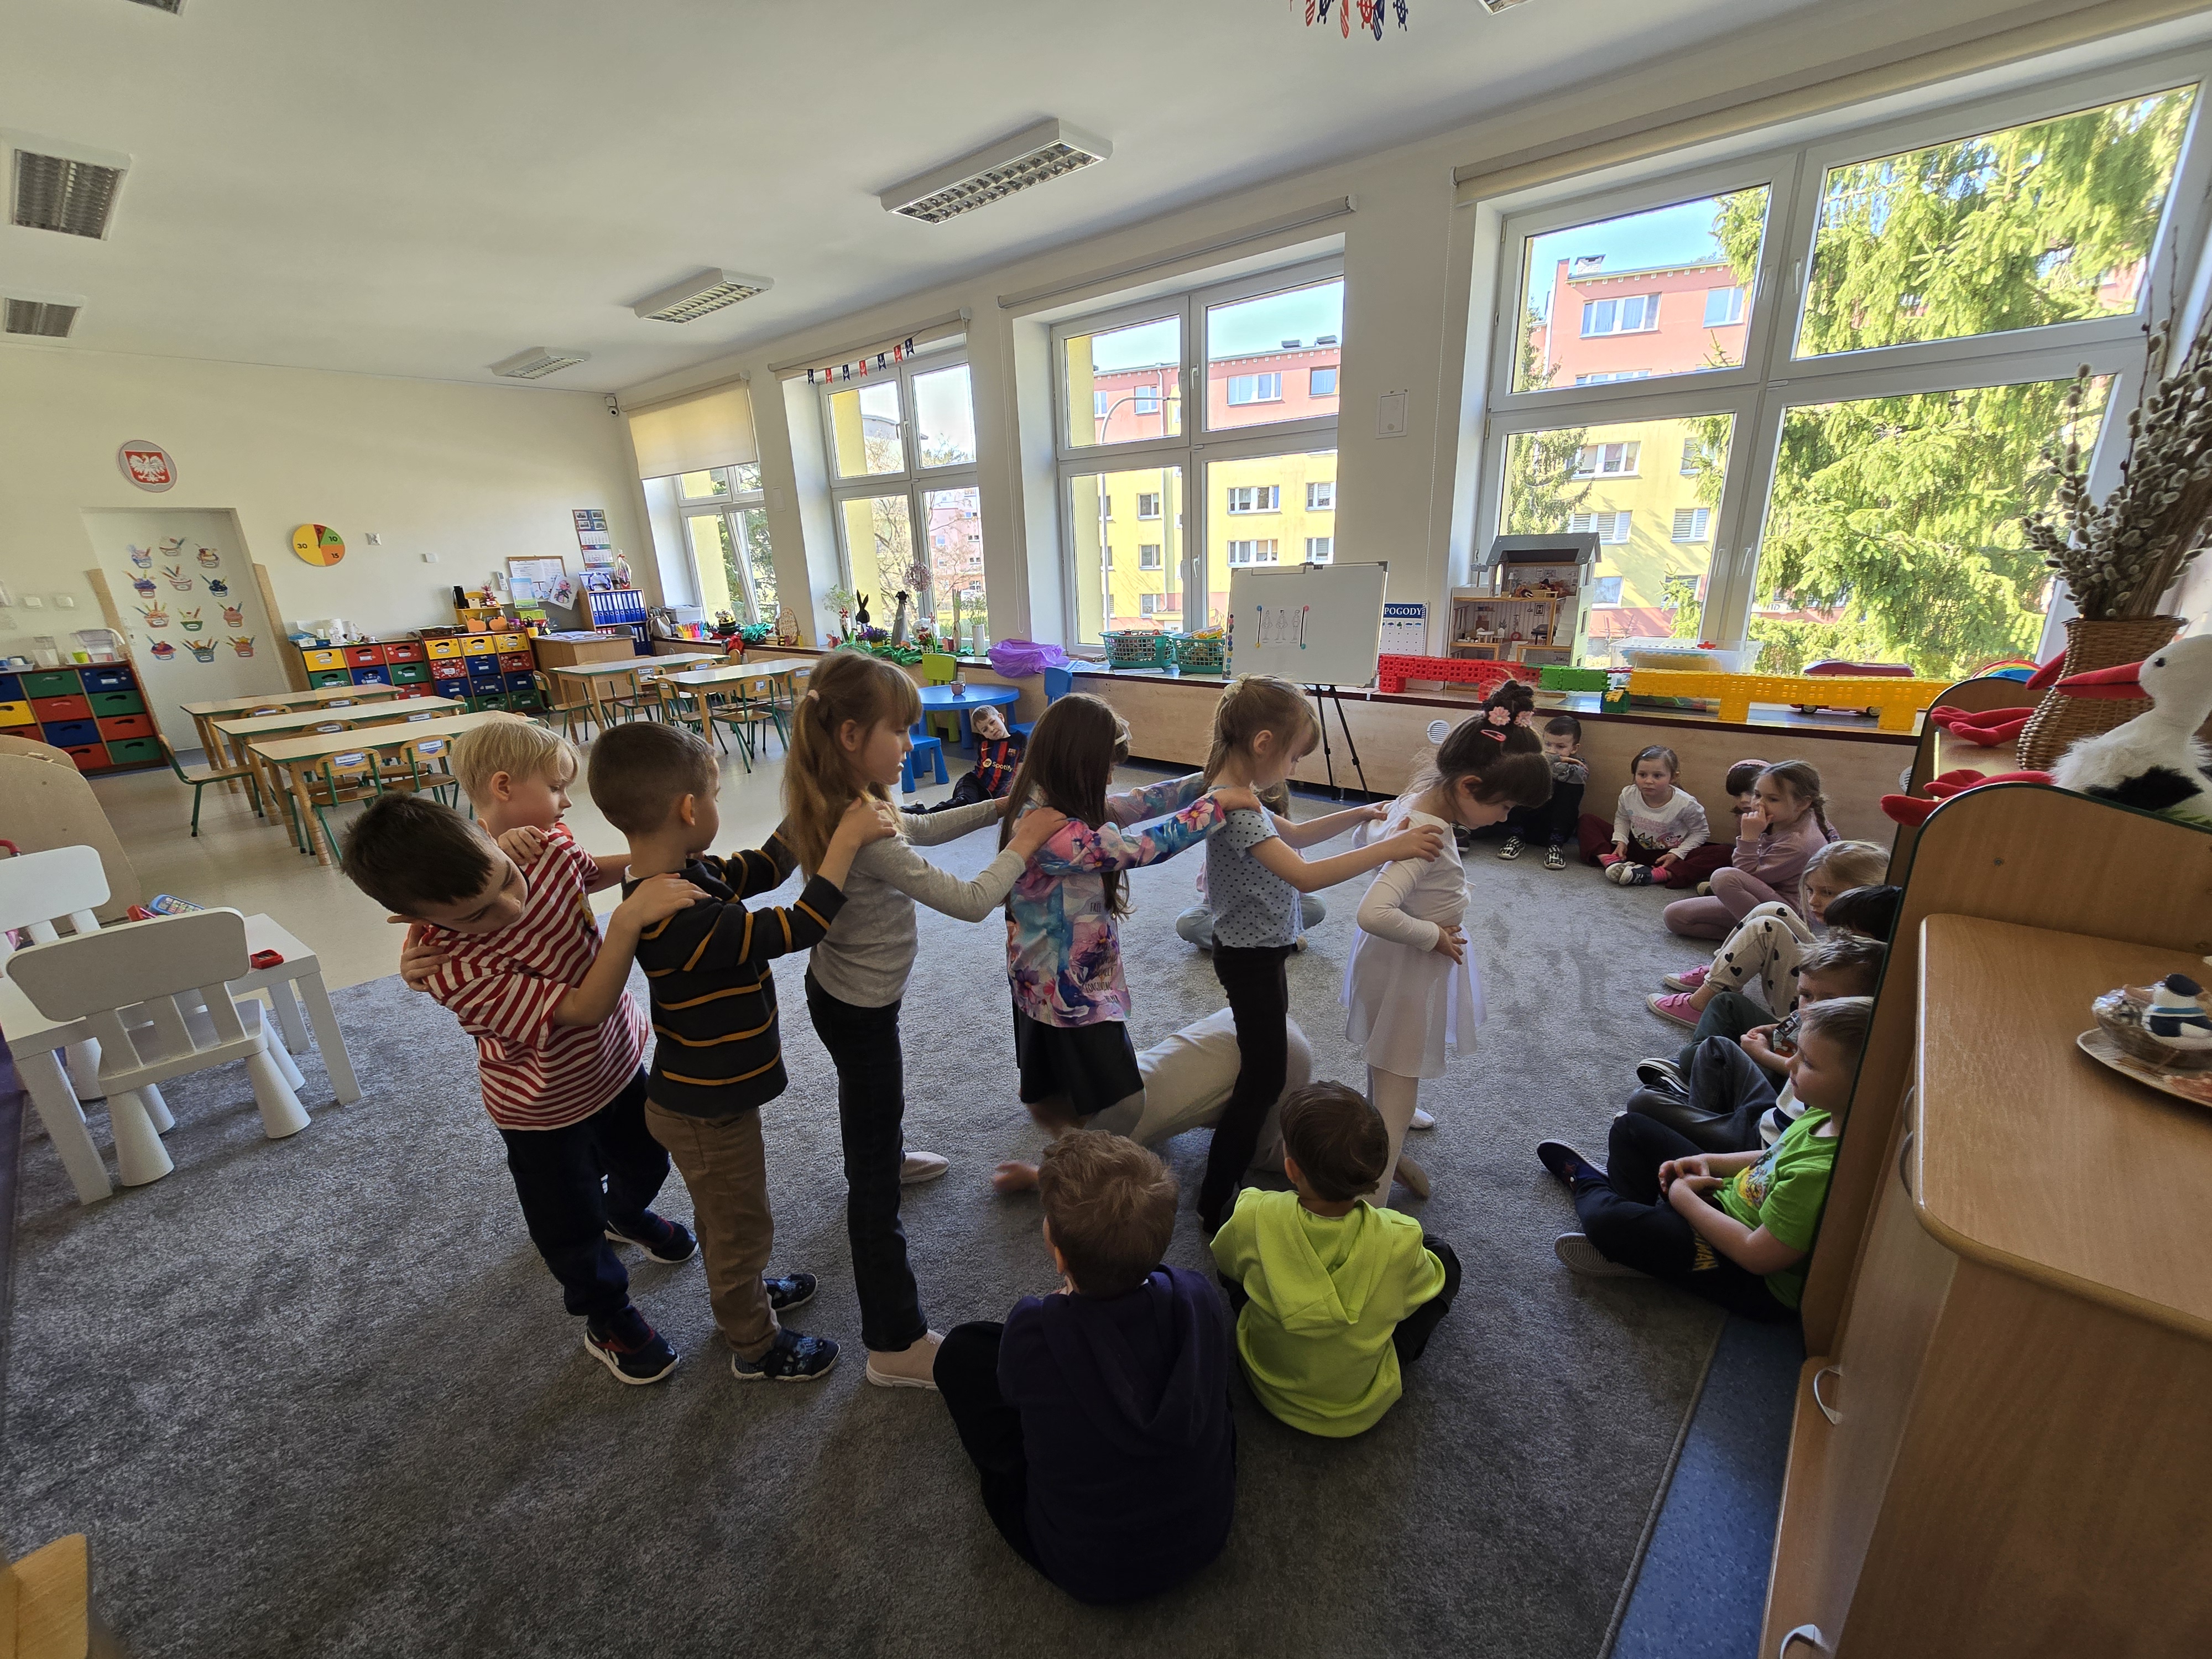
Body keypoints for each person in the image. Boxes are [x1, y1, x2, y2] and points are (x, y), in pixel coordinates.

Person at [344, 786, 704, 1384]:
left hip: (617, 1064)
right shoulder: (454, 969)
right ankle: (607, 1317)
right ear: (415, 919)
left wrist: (663, 864)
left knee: (647, 1159)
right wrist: (629, 921)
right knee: (569, 1226)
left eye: (506, 880)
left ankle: (623, 1213)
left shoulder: (542, 854)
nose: (510, 907)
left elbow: (591, 872)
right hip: (542, 1110)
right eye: (475, 915)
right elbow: (584, 1008)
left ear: (491, 839)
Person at [780, 649, 1070, 1387]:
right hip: (859, 1007)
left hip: (844, 993)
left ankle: (885, 1152)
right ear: (851, 735)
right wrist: (1024, 843)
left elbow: (922, 827)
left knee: (875, 1105)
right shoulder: (862, 828)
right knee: (872, 1180)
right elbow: (969, 901)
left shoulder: (844, 800)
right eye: (899, 730)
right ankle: (893, 1341)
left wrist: (999, 810)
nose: (911, 744)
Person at [588, 720, 894, 1384]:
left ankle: (745, 1293)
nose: (718, 805)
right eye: (716, 794)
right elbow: (799, 925)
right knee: (739, 1228)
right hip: (706, 1111)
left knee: (727, 1215)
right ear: (689, 809)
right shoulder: (680, 916)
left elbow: (764, 865)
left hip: (709, 1097)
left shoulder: (680, 874)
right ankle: (754, 1342)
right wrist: (844, 843)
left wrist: (814, 805)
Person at [1191, 674, 1444, 1233]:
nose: (1293, 768)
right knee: (1261, 1081)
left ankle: (1238, 1170)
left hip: (1263, 949)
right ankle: (1214, 1200)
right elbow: (1305, 876)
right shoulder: (1236, 809)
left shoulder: (1241, 795)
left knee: (1268, 1065)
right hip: (1248, 957)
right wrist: (1393, 845)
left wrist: (1359, 814)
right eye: (1294, 757)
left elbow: (1298, 837)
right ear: (1263, 744)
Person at [935, 1133, 1235, 1605]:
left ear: (1058, 1255)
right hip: (1205, 1534)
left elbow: (1010, 1393)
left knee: (961, 1352)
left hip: (1089, 1568)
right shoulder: (1198, 1296)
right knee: (1209, 1369)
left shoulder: (1034, 1331)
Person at [990, 694, 1249, 1194]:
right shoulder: (1053, 832)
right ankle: (1058, 1177)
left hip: (1042, 980)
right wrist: (1215, 806)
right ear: (1078, 764)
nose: (1111, 779)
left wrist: (1206, 781)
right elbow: (1144, 846)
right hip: (1069, 994)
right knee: (1125, 1103)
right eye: (1105, 768)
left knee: (1054, 1094)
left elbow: (1137, 803)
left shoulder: (1051, 800)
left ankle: (1065, 1154)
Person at [1538, 995, 1874, 1322]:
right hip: (1721, 1200)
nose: (1789, 1064)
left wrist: (1682, 1198)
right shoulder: (1825, 1113)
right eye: (1797, 1052)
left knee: (1606, 1222)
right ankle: (1643, 1240)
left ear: (1864, 1084)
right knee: (1630, 1128)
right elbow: (1774, 1154)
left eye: (1808, 1063)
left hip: (1739, 1265)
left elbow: (1755, 1255)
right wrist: (1708, 1161)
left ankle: (1589, 1184)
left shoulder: (1821, 1174)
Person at [1342, 716, 1551, 1203]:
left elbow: (1365, 843)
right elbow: (1373, 913)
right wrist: (1432, 935)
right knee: (1401, 1070)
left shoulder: (1415, 801)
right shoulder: (1429, 834)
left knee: (1387, 1049)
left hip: (1390, 962)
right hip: (1407, 964)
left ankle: (1379, 1111)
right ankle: (1374, 1195)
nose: (1505, 818)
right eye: (1504, 806)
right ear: (1468, 786)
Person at [1209, 1082, 1460, 1437]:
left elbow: (1225, 1263)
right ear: (1375, 1172)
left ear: (1291, 1169)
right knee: (1444, 1259)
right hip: (1355, 1403)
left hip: (1266, 1380)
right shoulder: (1400, 1237)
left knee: (1232, 1228)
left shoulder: (1255, 1212)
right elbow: (1423, 1288)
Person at [1627, 936, 1885, 1154]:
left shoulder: (1845, 1053)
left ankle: (1697, 1127)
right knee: (1716, 1046)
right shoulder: (1816, 1024)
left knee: (1643, 1101)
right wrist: (1774, 1030)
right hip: (1768, 1114)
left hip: (1761, 1144)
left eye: (1829, 1001)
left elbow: (1785, 1138)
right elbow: (1795, 1030)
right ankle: (1701, 1116)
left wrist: (1762, 1054)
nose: (1810, 1009)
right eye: (1805, 995)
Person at [1637, 886, 1897, 1092]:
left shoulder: (1859, 1000)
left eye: (1828, 891)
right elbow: (1799, 1021)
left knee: (1695, 1060)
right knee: (1727, 1002)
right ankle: (1702, 1052)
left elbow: (1810, 1070)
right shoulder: (1844, 983)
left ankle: (1696, 1070)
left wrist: (1761, 1054)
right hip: (1786, 1041)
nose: (1814, 901)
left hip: (1781, 1069)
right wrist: (1775, 1028)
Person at [1647, 838, 1888, 1026]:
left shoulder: (1871, 932)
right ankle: (1720, 973)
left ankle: (1700, 1006)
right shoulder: (1856, 922)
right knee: (1772, 909)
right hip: (1822, 980)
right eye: (1810, 890)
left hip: (1812, 1012)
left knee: (1766, 929)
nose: (1813, 901)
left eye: (1827, 893)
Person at [1663, 760, 1837, 938]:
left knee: (1724, 877)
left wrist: (1749, 837)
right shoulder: (1778, 818)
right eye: (1758, 795)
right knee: (1675, 916)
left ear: (1802, 804)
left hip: (1789, 914)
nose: (1759, 804)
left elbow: (1745, 874)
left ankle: (1777, 938)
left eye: (1773, 799)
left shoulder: (1799, 843)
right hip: (1758, 900)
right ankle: (1756, 936)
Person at [1173, 778, 1349, 950]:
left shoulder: (1289, 845)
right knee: (1188, 923)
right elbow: (1210, 894)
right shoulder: (1227, 844)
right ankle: (1274, 942)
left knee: (1316, 906)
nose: (1261, 829)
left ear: (1283, 817)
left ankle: (1248, 943)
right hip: (1229, 912)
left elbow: (1300, 889)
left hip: (1273, 911)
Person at [1585, 745, 1710, 885]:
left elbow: (1701, 833)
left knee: (1723, 852)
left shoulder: (1686, 803)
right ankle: (1611, 862)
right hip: (1634, 847)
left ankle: (1658, 875)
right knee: (1587, 820)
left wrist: (1677, 853)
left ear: (1673, 777)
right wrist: (1621, 841)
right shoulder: (1628, 794)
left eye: (1657, 776)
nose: (1649, 781)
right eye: (1642, 775)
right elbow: (1623, 818)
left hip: (1666, 856)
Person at [1494, 713, 1587, 870]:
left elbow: (1578, 775)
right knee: (1519, 778)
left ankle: (1555, 845)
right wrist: (1554, 760)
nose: (1552, 751)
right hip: (1526, 821)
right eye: (1548, 744)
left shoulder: (1579, 765)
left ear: (1574, 748)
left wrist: (1545, 763)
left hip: (1555, 827)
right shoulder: (1534, 758)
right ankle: (1516, 837)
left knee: (1571, 786)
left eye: (1560, 747)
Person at [913, 701, 1027, 814]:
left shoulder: (1019, 740)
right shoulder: (985, 742)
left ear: (1001, 717)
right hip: (973, 783)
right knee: (964, 804)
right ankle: (925, 814)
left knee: (976, 812)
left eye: (993, 722)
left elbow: (1020, 773)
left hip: (993, 796)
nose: (991, 729)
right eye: (985, 730)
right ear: (982, 734)